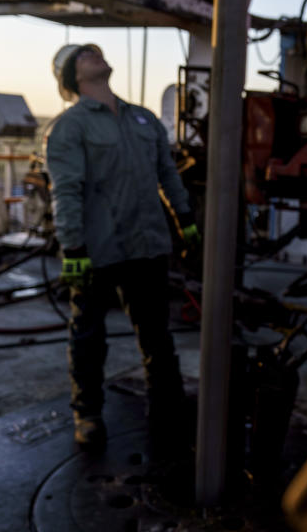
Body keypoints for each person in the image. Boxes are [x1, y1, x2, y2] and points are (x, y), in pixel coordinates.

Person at [46, 43, 200, 450]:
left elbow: (168, 175)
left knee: (156, 334)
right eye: (83, 54)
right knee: (88, 334)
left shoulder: (143, 119)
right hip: (96, 250)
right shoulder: (70, 127)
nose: (95, 52)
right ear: (73, 78)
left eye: (95, 49)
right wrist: (73, 249)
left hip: (147, 244)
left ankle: (167, 406)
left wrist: (186, 221)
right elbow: (66, 191)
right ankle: (88, 413)